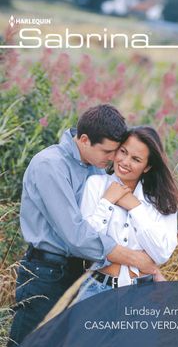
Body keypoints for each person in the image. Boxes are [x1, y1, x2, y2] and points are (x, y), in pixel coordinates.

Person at [8, 105, 157, 347]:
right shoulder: (50, 165)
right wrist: (136, 260)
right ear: (85, 139)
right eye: (108, 151)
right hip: (47, 274)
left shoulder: (93, 167)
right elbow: (77, 235)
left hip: (84, 275)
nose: (113, 158)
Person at [77, 125, 178, 302]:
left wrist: (135, 207)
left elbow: (162, 253)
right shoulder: (95, 185)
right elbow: (87, 245)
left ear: (147, 166)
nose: (125, 162)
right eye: (123, 152)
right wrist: (106, 202)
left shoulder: (161, 200)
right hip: (96, 291)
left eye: (135, 159)